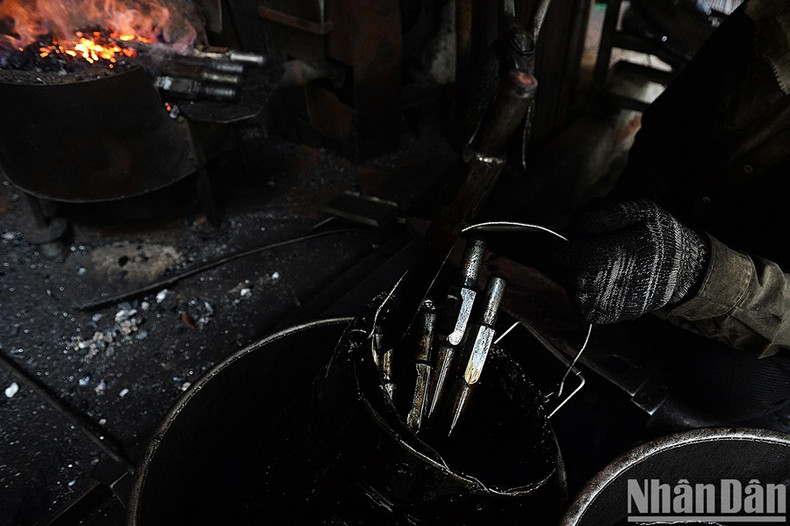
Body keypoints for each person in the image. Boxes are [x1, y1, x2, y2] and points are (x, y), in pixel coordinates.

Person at [558, 0, 790, 427]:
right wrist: (633, 216)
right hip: (703, 226)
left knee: (735, 384)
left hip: (766, 304)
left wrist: (702, 277)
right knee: (595, 248)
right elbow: (673, 125)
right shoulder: (768, 18)